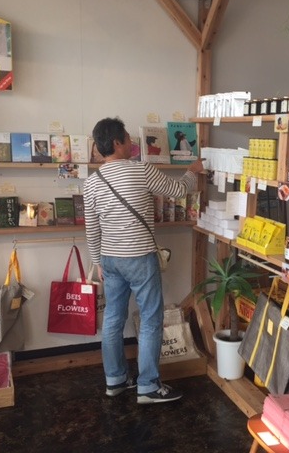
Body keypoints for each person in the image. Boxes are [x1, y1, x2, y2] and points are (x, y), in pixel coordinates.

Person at [84, 117, 204, 404]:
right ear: (117, 143)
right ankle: (148, 386)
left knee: (113, 318)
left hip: (110, 260)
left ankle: (115, 380)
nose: (132, 142)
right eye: (128, 138)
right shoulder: (141, 170)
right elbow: (179, 190)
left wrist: (97, 262)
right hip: (139, 257)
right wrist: (192, 171)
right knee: (151, 318)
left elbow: (92, 229)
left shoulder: (91, 183)